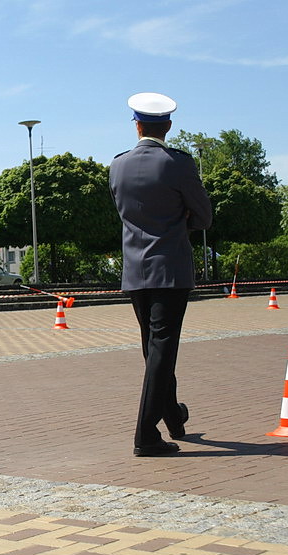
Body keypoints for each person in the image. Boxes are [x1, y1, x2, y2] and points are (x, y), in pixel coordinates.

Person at [109, 92, 212, 457]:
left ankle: (172, 415)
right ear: (167, 125)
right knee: (163, 350)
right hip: (170, 269)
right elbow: (203, 216)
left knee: (153, 349)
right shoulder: (178, 164)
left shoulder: (117, 165)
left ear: (136, 124)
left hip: (136, 271)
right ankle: (146, 435)